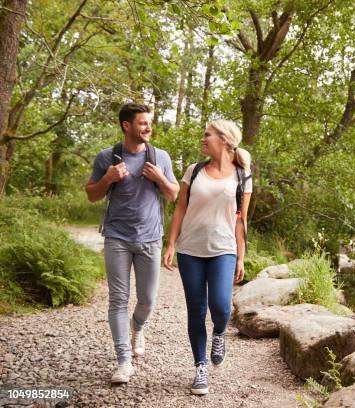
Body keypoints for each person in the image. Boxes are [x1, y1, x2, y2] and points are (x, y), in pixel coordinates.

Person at [85, 103, 179, 384]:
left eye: (150, 122)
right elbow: (91, 195)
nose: (149, 127)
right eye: (143, 123)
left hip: (150, 238)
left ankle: (138, 326)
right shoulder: (107, 157)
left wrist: (159, 177)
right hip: (117, 237)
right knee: (118, 300)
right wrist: (108, 178)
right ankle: (124, 361)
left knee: (147, 300)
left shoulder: (160, 156)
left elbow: (173, 194)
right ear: (126, 126)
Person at [162, 119, 252, 395]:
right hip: (190, 250)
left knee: (222, 306)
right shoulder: (194, 170)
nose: (203, 139)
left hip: (224, 249)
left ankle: (219, 334)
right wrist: (171, 243)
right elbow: (180, 209)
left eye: (207, 134)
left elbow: (241, 220)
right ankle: (200, 368)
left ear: (224, 140)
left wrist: (240, 257)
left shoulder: (242, 175)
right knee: (196, 310)